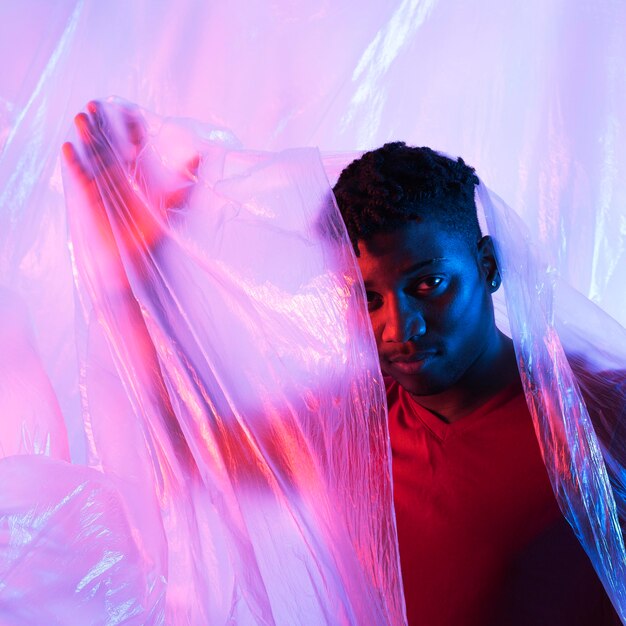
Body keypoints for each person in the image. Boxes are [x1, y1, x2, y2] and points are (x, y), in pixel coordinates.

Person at [332, 142, 621, 626]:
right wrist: (157, 263)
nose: (399, 330)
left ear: (487, 267)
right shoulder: (352, 422)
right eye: (369, 298)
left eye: (428, 284)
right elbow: (189, 434)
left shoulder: (596, 416)